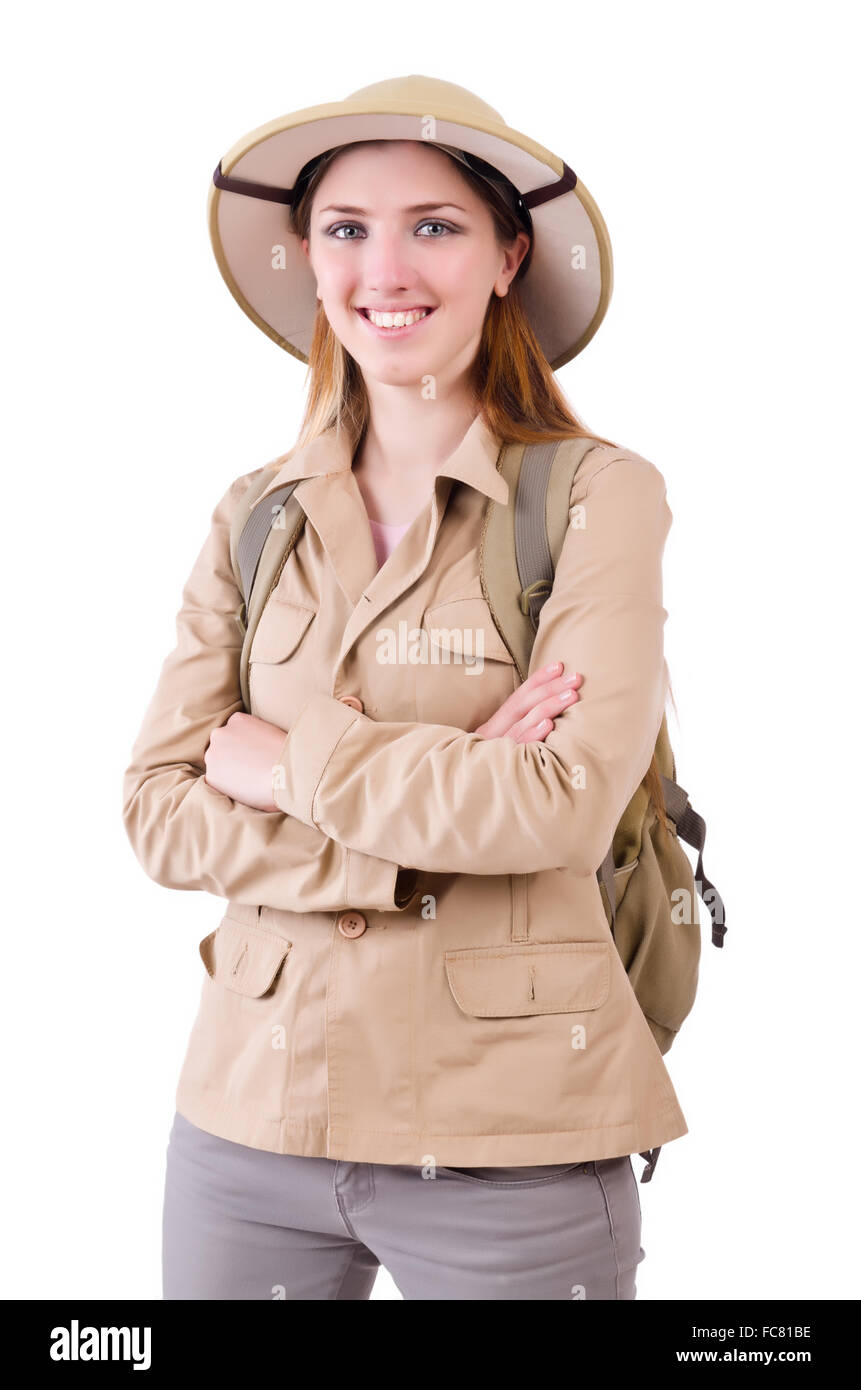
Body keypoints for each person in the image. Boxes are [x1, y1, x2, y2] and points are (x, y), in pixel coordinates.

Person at [122, 74, 687, 1301]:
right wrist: (444, 794)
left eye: (435, 225)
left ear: (507, 257)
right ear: (310, 259)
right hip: (246, 1125)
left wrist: (286, 766)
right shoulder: (254, 512)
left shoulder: (597, 495)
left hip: (514, 1141)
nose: (388, 265)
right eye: (346, 228)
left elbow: (559, 808)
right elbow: (159, 811)